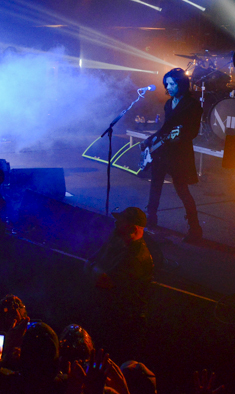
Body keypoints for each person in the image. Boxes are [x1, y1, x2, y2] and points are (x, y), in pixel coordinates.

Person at [143, 67, 203, 242]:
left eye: (170, 83)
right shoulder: (169, 103)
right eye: (166, 84)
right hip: (162, 152)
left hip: (180, 155)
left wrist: (179, 136)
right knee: (155, 186)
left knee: (182, 190)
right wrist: (150, 139)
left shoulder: (192, 105)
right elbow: (165, 127)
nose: (167, 87)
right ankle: (150, 219)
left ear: (181, 84)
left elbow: (192, 132)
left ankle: (195, 229)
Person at [85, 206, 154, 349]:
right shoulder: (119, 242)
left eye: (121, 222)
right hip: (108, 315)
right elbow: (93, 259)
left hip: (123, 324)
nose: (116, 224)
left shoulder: (136, 257)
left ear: (133, 229)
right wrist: (94, 267)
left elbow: (105, 281)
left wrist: (92, 268)